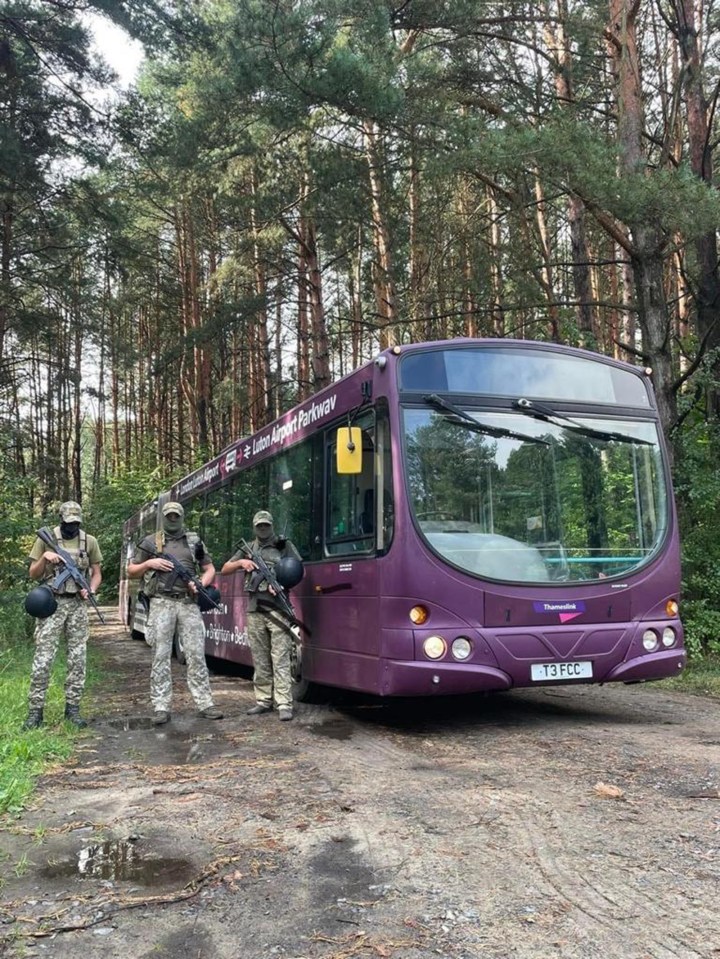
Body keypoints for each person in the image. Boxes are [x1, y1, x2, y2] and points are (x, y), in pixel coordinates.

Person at [127, 502, 223, 726]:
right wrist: (150, 563)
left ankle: (204, 703)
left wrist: (200, 584)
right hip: (161, 603)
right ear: (163, 517)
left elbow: (209, 569)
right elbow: (131, 571)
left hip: (188, 604)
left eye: (176, 516)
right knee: (160, 656)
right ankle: (161, 706)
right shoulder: (151, 542)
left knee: (196, 654)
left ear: (181, 516)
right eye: (169, 516)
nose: (173, 519)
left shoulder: (193, 541)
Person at [23, 501, 103, 729]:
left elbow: (97, 573)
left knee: (77, 660)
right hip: (51, 604)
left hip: (77, 606)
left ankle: (73, 710)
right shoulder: (47, 539)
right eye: (68, 522)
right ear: (61, 519)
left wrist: (92, 589)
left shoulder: (90, 541)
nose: (72, 526)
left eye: (76, 523)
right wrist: (45, 558)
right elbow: (32, 573)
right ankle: (35, 713)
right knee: (43, 659)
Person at [221, 510, 302, 721]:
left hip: (278, 609)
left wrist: (283, 582)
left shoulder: (284, 546)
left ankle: (284, 702)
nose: (263, 529)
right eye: (259, 526)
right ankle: (263, 700)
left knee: (281, 656)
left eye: (266, 525)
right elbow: (226, 568)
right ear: (254, 527)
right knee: (260, 657)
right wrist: (242, 563)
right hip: (255, 609)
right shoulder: (249, 547)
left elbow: (299, 570)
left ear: (272, 525)